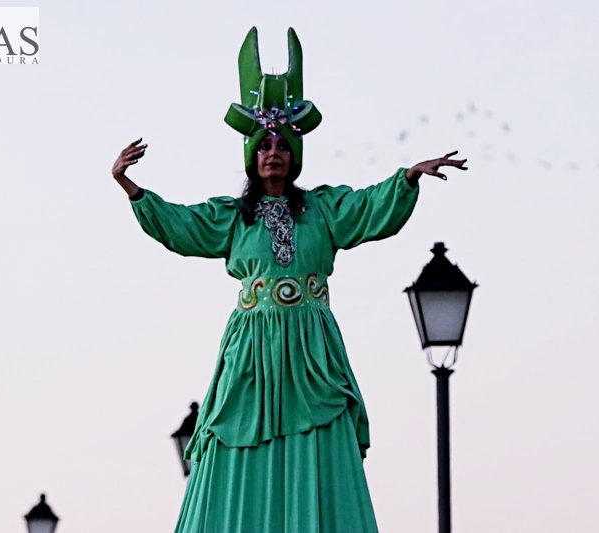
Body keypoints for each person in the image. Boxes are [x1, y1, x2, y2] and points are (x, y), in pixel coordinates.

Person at [111, 27, 467, 533]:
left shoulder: (322, 210)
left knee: (318, 431)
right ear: (252, 158)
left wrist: (408, 176)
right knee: (237, 432)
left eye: (281, 145)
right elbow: (182, 225)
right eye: (263, 146)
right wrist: (131, 187)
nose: (272, 152)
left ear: (293, 156)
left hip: (309, 346)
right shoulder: (234, 216)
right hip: (252, 345)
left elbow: (368, 207)